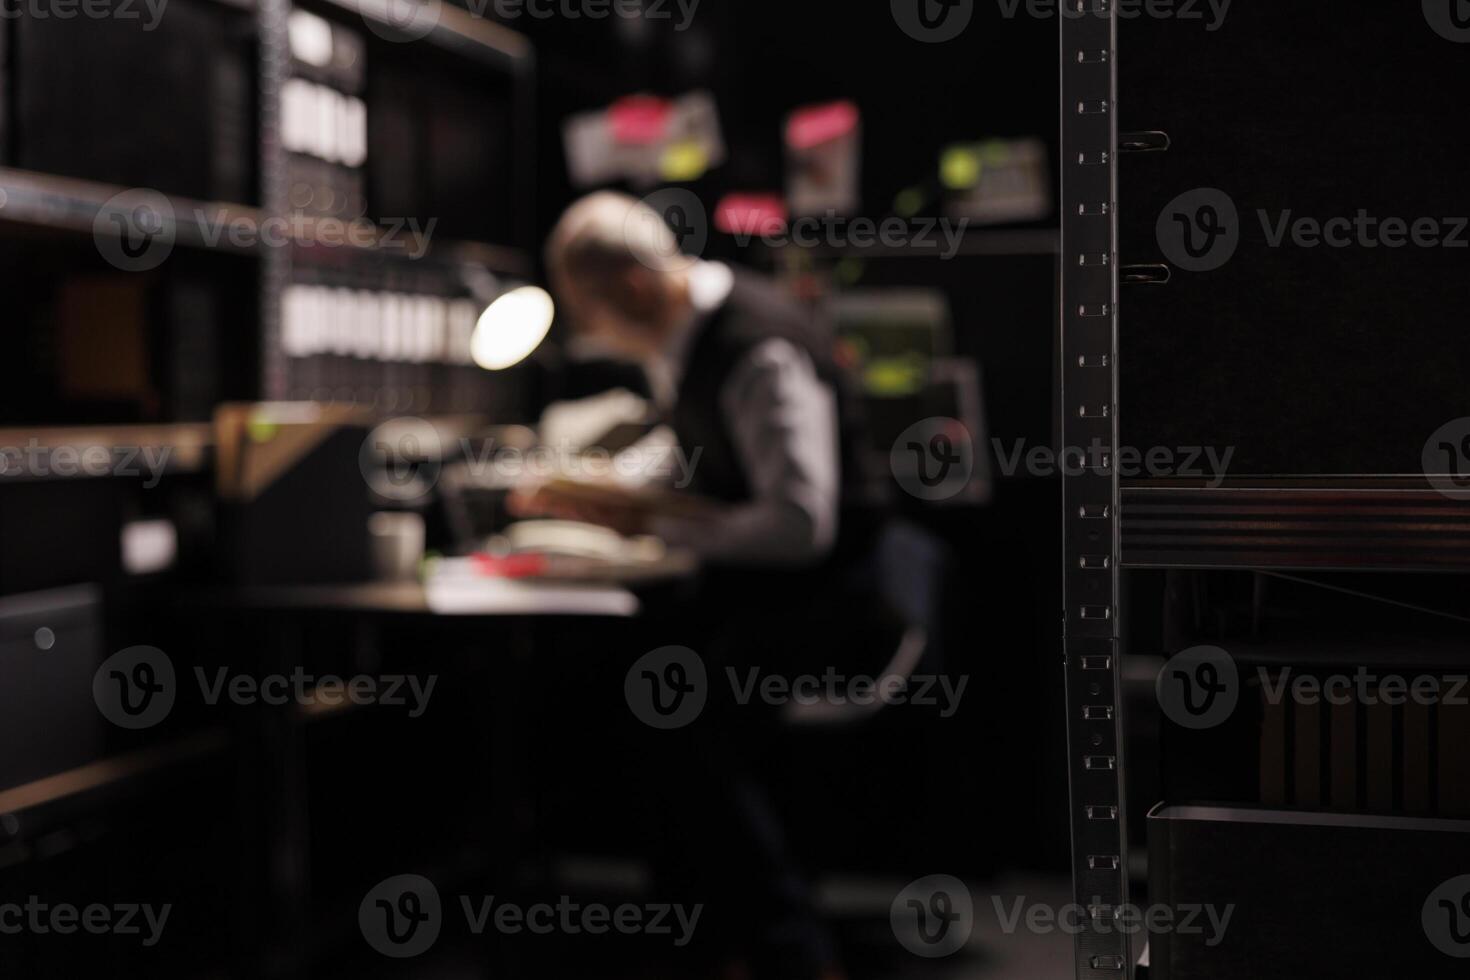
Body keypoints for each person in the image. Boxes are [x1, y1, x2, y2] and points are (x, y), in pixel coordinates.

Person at [515, 191, 900, 980]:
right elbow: (688, 439)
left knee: (674, 712)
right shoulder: (683, 335)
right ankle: (703, 937)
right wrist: (604, 485)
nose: (598, 338)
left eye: (593, 317)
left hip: (833, 598)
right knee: (637, 688)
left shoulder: (758, 350)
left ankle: (788, 950)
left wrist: (657, 527)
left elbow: (800, 525)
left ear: (630, 288)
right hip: (766, 590)